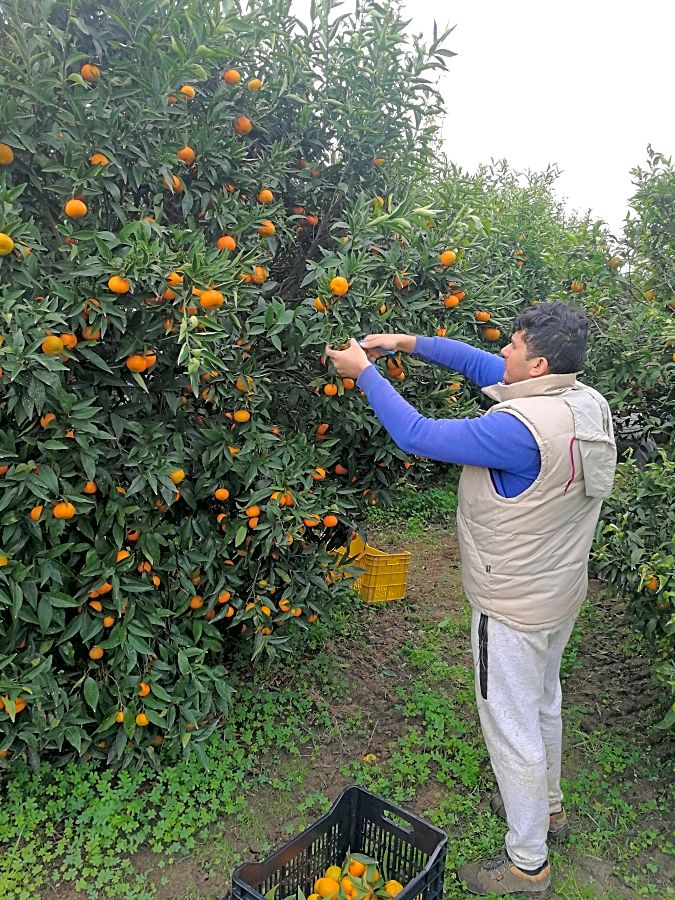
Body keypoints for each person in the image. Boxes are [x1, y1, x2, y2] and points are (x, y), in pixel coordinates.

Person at [325, 302, 616, 896]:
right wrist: (406, 341)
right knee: (543, 702)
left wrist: (365, 373)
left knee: (513, 730)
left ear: (537, 366)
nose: (500, 352)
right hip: (556, 592)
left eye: (512, 347)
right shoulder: (583, 403)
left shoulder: (516, 431)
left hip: (510, 606)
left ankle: (526, 863)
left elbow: (417, 436)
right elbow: (477, 362)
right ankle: (550, 808)